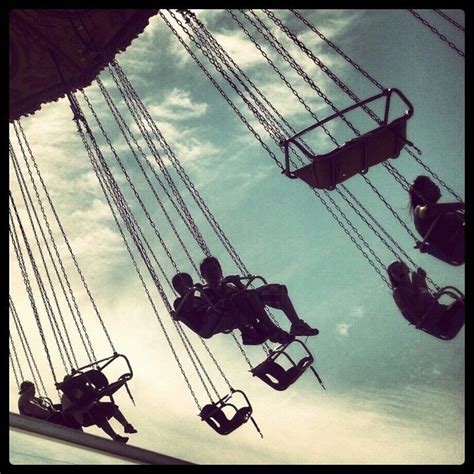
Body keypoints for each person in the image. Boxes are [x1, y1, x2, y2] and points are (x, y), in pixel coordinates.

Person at [199, 256, 319, 339]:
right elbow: (214, 308)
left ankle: (297, 324)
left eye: (215, 269)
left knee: (277, 289)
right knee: (250, 295)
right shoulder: (205, 292)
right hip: (230, 314)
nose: (213, 273)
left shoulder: (229, 286)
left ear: (220, 270)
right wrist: (221, 290)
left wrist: (238, 283)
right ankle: (272, 329)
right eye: (209, 271)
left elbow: (246, 294)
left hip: (250, 305)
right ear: (204, 275)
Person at [171, 272, 280, 344]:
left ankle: (264, 329)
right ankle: (248, 332)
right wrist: (192, 291)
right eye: (182, 285)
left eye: (188, 283)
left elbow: (212, 303)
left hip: (216, 318)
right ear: (177, 289)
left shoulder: (199, 298)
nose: (186, 286)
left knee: (242, 302)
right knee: (228, 302)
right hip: (204, 325)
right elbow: (188, 309)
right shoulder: (179, 302)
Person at [387, 260, 464, 337]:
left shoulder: (416, 286)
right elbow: (415, 308)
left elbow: (425, 298)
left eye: (400, 267)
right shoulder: (399, 292)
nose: (398, 271)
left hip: (444, 313)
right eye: (394, 271)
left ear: (407, 269)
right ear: (393, 277)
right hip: (440, 323)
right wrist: (416, 285)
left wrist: (422, 278)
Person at [60, 374, 137, 444]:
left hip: (94, 406)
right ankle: (115, 437)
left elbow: (98, 394)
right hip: (84, 417)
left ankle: (126, 426)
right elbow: (66, 413)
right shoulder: (65, 397)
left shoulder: (84, 388)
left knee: (111, 407)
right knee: (98, 415)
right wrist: (77, 406)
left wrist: (120, 382)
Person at [409, 175, 464, 263]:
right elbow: (427, 210)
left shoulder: (445, 213)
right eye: (431, 185)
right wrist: (460, 205)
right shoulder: (418, 210)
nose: (436, 186)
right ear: (421, 194)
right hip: (457, 246)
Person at [17, 380, 82, 430]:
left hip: (39, 421)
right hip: (37, 425)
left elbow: (39, 403)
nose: (34, 393)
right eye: (32, 391)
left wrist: (39, 401)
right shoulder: (25, 401)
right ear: (26, 391)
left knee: (60, 407)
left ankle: (74, 422)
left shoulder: (28, 398)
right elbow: (42, 412)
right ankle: (74, 427)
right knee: (58, 415)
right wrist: (51, 412)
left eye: (34, 391)